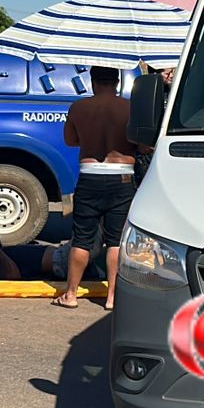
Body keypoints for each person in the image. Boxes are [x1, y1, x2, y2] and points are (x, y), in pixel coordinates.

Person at [53, 65, 135, 310]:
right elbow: (141, 144)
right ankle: (113, 296)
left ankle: (71, 294)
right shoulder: (129, 108)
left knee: (82, 239)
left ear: (93, 81)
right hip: (122, 177)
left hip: (90, 176)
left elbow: (69, 140)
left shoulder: (79, 107)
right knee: (116, 240)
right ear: (117, 82)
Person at [0, 227, 106, 283]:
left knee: (99, 227)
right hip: (60, 261)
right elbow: (14, 275)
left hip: (60, 254)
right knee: (95, 226)